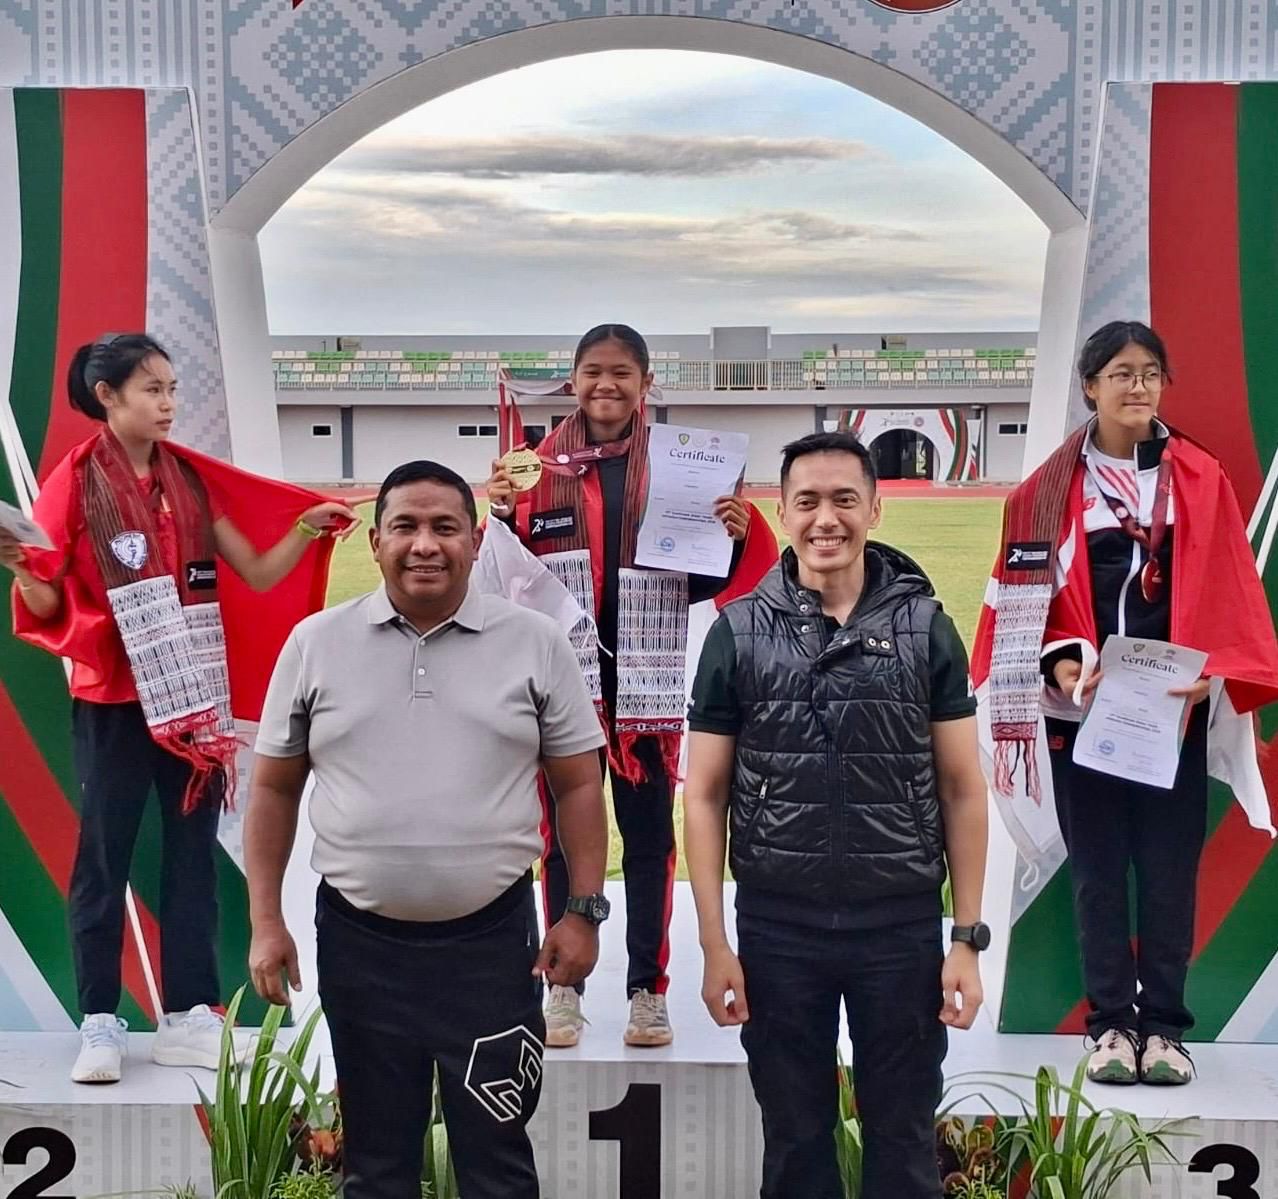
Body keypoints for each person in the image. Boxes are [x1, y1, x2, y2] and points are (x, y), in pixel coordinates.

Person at [245, 460, 610, 1199]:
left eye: (445, 527)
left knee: (497, 1164)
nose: (425, 544)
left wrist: (582, 910)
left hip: (492, 948)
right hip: (360, 945)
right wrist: (265, 922)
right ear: (374, 541)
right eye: (405, 526)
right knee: (377, 1165)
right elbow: (274, 788)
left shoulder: (536, 641)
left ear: (475, 541)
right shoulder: (316, 643)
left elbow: (577, 783)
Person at [1, 333, 356, 1085]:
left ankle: (190, 1015)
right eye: (152, 389)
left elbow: (256, 571)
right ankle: (100, 1022)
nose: (168, 404)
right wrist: (21, 568)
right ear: (108, 396)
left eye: (171, 389)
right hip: (114, 700)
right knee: (105, 858)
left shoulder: (187, 481)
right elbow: (46, 598)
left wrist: (305, 527)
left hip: (195, 702)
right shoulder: (76, 481)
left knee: (192, 858)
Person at [683, 432, 989, 1199]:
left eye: (845, 499)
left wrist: (966, 938)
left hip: (899, 927)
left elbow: (962, 786)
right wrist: (715, 944)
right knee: (795, 1140)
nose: (827, 519)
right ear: (782, 512)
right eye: (809, 501)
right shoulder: (736, 631)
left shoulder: (926, 627)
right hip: (778, 928)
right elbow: (705, 793)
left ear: (875, 508)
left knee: (904, 1140)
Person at [972, 320, 1278, 1086]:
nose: (1137, 385)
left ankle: (1166, 1030)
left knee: (1170, 873)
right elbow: (1020, 606)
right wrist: (1062, 662)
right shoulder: (1046, 491)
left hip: (1174, 711)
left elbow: (1232, 587)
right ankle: (1110, 1025)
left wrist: (1215, 671)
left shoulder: (1200, 477)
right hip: (1082, 715)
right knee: (1098, 873)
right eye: (1120, 372)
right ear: (1090, 385)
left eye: (1149, 372)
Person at [485, 323, 775, 1048]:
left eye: (621, 372)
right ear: (573, 380)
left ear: (647, 383)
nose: (605, 384)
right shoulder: (533, 470)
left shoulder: (683, 467)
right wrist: (496, 514)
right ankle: (562, 986)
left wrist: (736, 535)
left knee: (648, 841)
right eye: (592, 371)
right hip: (565, 682)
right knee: (559, 841)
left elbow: (707, 583)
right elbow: (505, 577)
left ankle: (648, 989)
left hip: (647, 681)